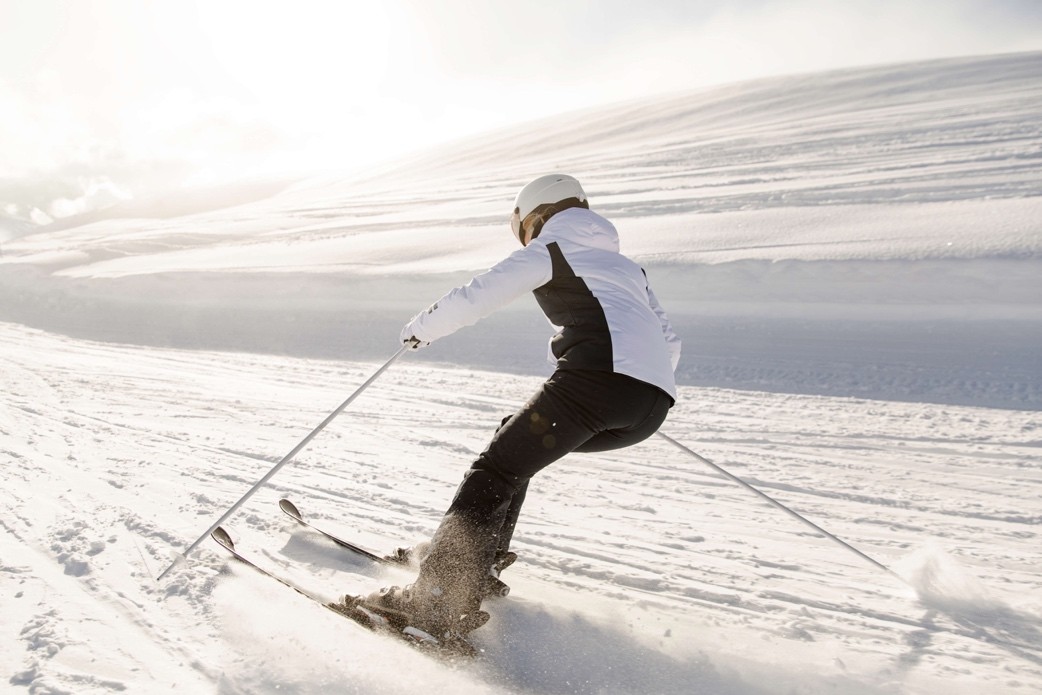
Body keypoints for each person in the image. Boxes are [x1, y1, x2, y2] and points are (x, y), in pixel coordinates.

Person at [354, 174, 682, 641]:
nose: (524, 236)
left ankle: (436, 599)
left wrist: (422, 328)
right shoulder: (628, 269)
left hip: (596, 383)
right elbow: (668, 340)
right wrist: (639, 382)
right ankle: (477, 564)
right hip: (650, 403)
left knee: (494, 471)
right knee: (514, 446)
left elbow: (482, 292)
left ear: (537, 216)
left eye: (522, 227)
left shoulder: (553, 249)